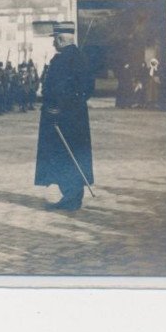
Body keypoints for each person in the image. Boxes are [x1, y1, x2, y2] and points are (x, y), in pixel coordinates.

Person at [34, 21, 95, 211]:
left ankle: (71, 197)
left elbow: (58, 89)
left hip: (61, 118)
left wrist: (57, 108)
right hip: (77, 117)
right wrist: (75, 105)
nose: (53, 43)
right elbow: (88, 88)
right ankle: (73, 196)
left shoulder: (62, 60)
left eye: (54, 39)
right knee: (74, 153)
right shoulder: (81, 57)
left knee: (63, 155)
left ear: (61, 39)